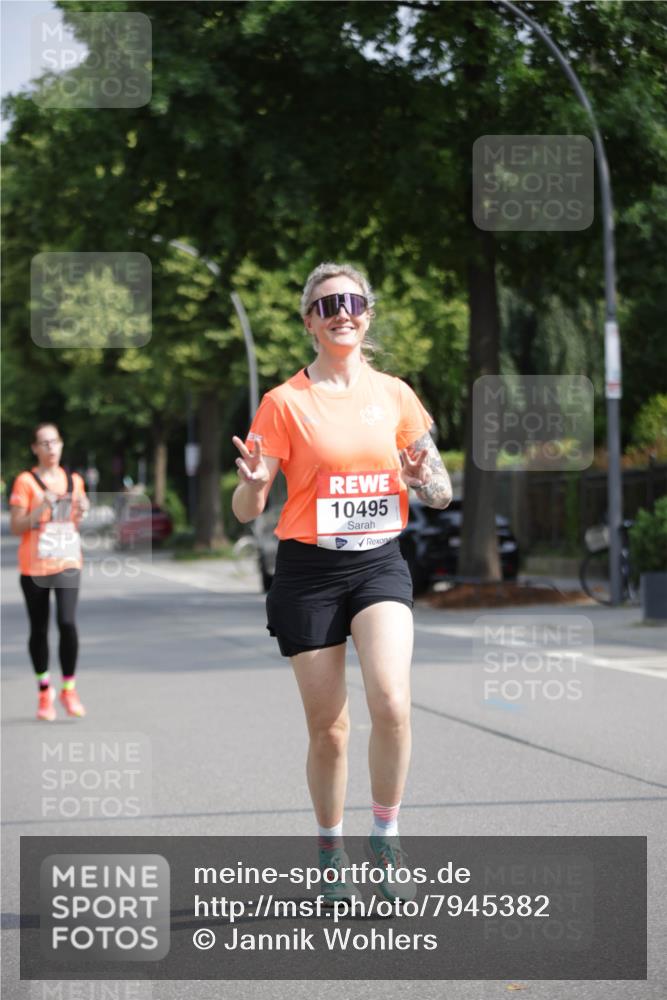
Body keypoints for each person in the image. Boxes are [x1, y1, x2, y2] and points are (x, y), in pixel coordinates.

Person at [232, 262, 452, 903]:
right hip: (308, 571)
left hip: (379, 561)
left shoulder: (396, 395)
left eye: (353, 301)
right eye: (327, 304)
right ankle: (330, 851)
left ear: (368, 314)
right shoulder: (283, 403)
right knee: (329, 730)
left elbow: (440, 492)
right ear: (309, 321)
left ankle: (385, 838)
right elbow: (249, 510)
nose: (342, 312)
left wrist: (420, 479)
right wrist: (250, 484)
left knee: (392, 703)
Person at [9, 423, 89, 721]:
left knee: (67, 622)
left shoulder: (74, 480)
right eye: (44, 443)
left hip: (68, 561)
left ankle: (69, 688)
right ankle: (45, 691)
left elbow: (74, 522)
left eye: (54, 442)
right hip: (35, 566)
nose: (50, 448)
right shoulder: (25, 482)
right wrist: (38, 508)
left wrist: (81, 509)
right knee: (39, 629)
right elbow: (16, 527)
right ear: (35, 448)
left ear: (61, 445)